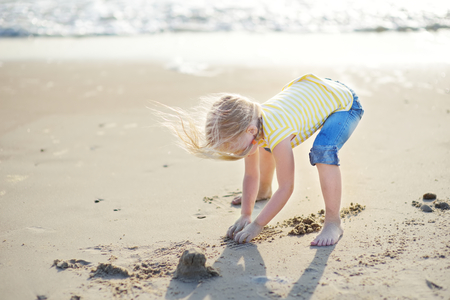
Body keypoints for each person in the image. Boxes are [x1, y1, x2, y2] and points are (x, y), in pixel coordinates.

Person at [157, 73, 364, 246]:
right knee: (263, 146)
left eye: (232, 147)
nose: (232, 153)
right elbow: (250, 173)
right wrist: (245, 215)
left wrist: (257, 225)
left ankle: (333, 222)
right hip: (315, 90)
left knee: (323, 152)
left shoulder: (278, 132)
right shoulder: (252, 122)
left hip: (343, 103)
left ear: (250, 130)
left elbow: (287, 188)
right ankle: (264, 191)